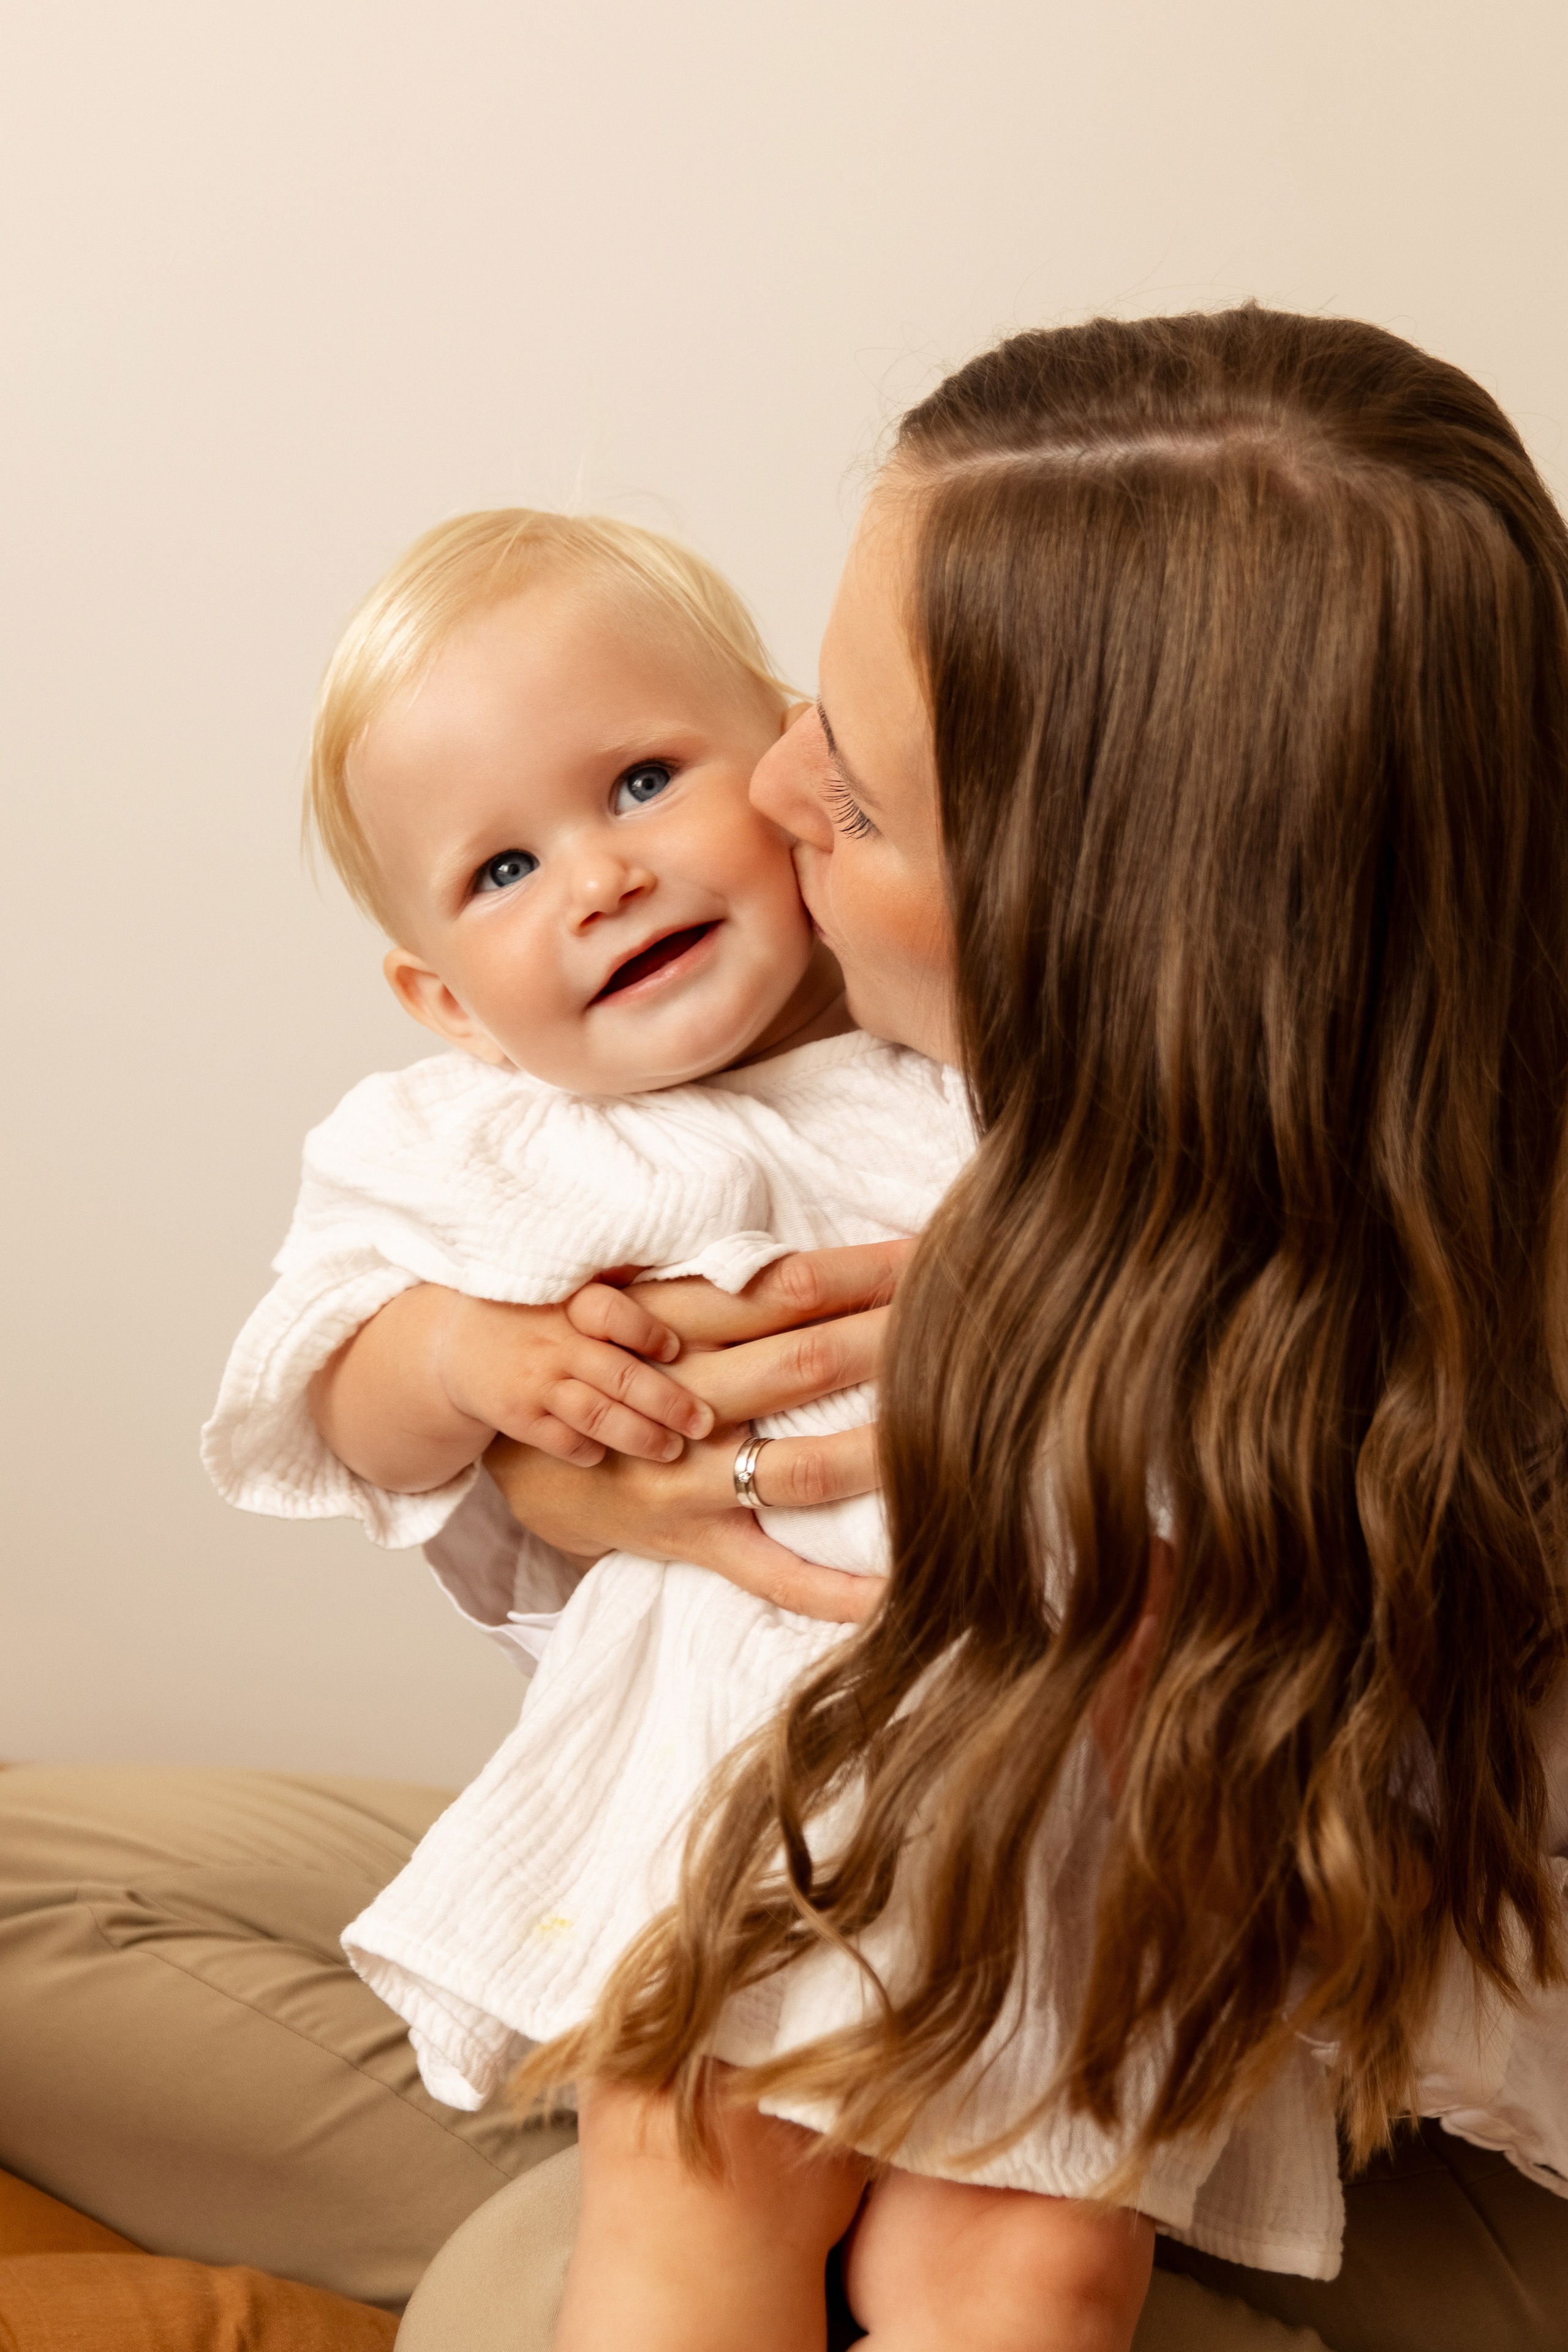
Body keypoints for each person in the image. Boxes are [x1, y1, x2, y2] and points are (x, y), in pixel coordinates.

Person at [404, 304, 1568, 2352]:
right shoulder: (849, 1094)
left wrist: (1113, 1411)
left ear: (1105, 935)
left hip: (1304, 2077)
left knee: (574, 2263)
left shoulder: (1432, 1345)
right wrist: (557, 1453)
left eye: (847, 796)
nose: (759, 800)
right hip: (853, 1926)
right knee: (54, 1884)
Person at [202, 502, 974, 2109]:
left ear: (787, 764)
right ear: (447, 1005)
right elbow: (320, 1375)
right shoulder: (486, 1144)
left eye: (638, 783)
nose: (600, 877)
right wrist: (459, 1355)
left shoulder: (959, 1065)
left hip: (1009, 1785)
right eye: (500, 869)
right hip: (688, 1807)